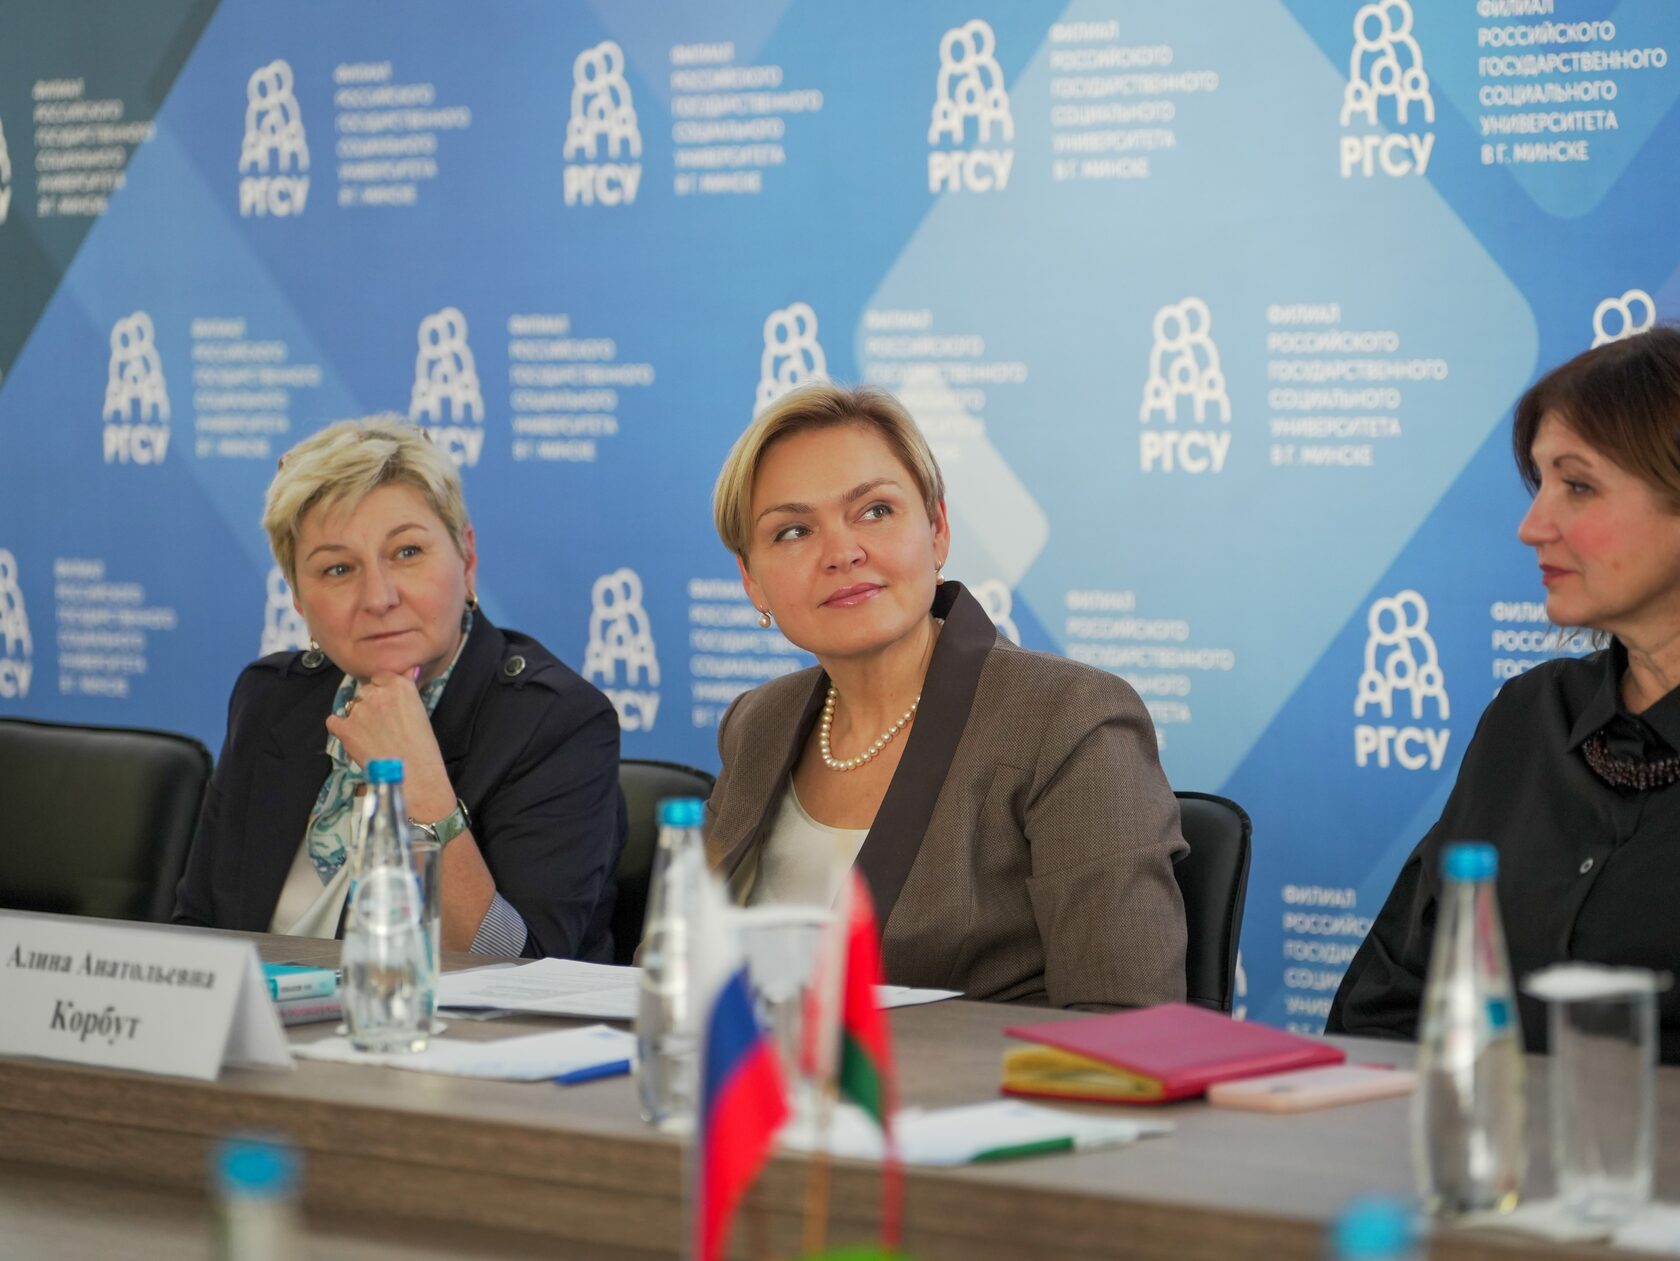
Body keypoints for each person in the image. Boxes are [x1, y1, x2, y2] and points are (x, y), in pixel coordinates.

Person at [705, 382, 1187, 1009]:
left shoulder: (1069, 721)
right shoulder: (757, 722)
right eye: (793, 531)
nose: (842, 553)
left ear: (937, 530)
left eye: (875, 511)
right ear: (752, 581)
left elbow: (1122, 1022)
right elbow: (681, 969)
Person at [1330, 327, 1680, 1062]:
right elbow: (1385, 1008)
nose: (1531, 526)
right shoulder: (1527, 717)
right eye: (1540, 483)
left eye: (1577, 485)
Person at [174, 416, 625, 959]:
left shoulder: (555, 722)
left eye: (407, 553)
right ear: (296, 597)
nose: (379, 597)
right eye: (337, 569)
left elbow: (518, 969)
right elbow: (198, 932)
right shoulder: (270, 698)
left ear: (467, 559)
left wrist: (420, 787)